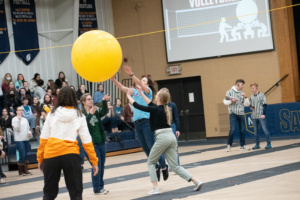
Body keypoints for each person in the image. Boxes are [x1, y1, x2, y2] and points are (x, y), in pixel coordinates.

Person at [126, 88, 203, 194]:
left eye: (157, 95)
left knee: (151, 162)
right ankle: (196, 181)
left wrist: (128, 96)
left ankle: (155, 188)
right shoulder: (162, 108)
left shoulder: (156, 109)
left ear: (159, 98)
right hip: (171, 137)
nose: (155, 96)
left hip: (162, 137)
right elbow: (149, 103)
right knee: (175, 166)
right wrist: (140, 93)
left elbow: (137, 106)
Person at [37, 86, 99, 200]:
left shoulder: (52, 114)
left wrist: (40, 159)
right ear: (74, 98)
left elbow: (44, 139)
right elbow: (87, 141)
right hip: (70, 156)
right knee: (76, 194)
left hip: (51, 155)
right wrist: (94, 161)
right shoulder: (79, 115)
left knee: (48, 195)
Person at [111, 65, 167, 181]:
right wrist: (113, 79)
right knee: (146, 148)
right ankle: (156, 167)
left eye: (144, 81)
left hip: (146, 122)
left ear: (148, 84)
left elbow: (140, 85)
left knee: (152, 146)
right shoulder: (134, 92)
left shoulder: (148, 92)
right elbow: (122, 88)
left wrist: (131, 74)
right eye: (141, 80)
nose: (141, 82)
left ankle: (163, 165)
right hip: (137, 123)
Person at [81, 93, 110, 195]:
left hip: (101, 141)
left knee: (101, 166)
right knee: (95, 165)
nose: (91, 101)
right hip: (91, 145)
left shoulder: (96, 110)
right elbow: (83, 125)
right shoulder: (82, 114)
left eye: (91, 99)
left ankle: (101, 186)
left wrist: (104, 101)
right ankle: (97, 188)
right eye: (88, 99)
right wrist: (90, 115)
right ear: (83, 102)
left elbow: (105, 111)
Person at [223, 79, 250, 152]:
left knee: (242, 130)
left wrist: (246, 97)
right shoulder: (229, 92)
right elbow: (225, 102)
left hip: (241, 113)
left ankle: (243, 145)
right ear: (238, 85)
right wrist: (231, 101)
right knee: (233, 129)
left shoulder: (242, 93)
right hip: (233, 113)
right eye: (242, 85)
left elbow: (247, 104)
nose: (243, 86)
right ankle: (229, 145)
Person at [250, 83, 272, 150]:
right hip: (254, 115)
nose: (252, 89)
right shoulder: (251, 96)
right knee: (255, 131)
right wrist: (251, 107)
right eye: (251, 88)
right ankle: (257, 144)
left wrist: (263, 114)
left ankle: (269, 143)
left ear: (256, 88)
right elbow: (251, 105)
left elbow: (265, 105)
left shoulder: (262, 95)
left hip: (260, 114)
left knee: (265, 129)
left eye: (253, 88)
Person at [161, 88, 181, 165]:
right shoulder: (160, 106)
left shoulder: (172, 105)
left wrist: (177, 129)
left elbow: (176, 117)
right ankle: (165, 165)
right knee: (163, 147)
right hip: (163, 127)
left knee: (174, 147)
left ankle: (176, 165)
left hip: (172, 126)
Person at [12, 106, 33, 176]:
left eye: (22, 110)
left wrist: (29, 133)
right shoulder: (14, 119)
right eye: (19, 110)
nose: (21, 111)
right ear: (16, 111)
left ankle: (25, 170)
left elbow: (28, 128)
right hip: (19, 139)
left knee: (27, 155)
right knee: (22, 154)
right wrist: (19, 120)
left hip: (26, 138)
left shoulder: (25, 119)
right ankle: (20, 171)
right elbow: (17, 129)